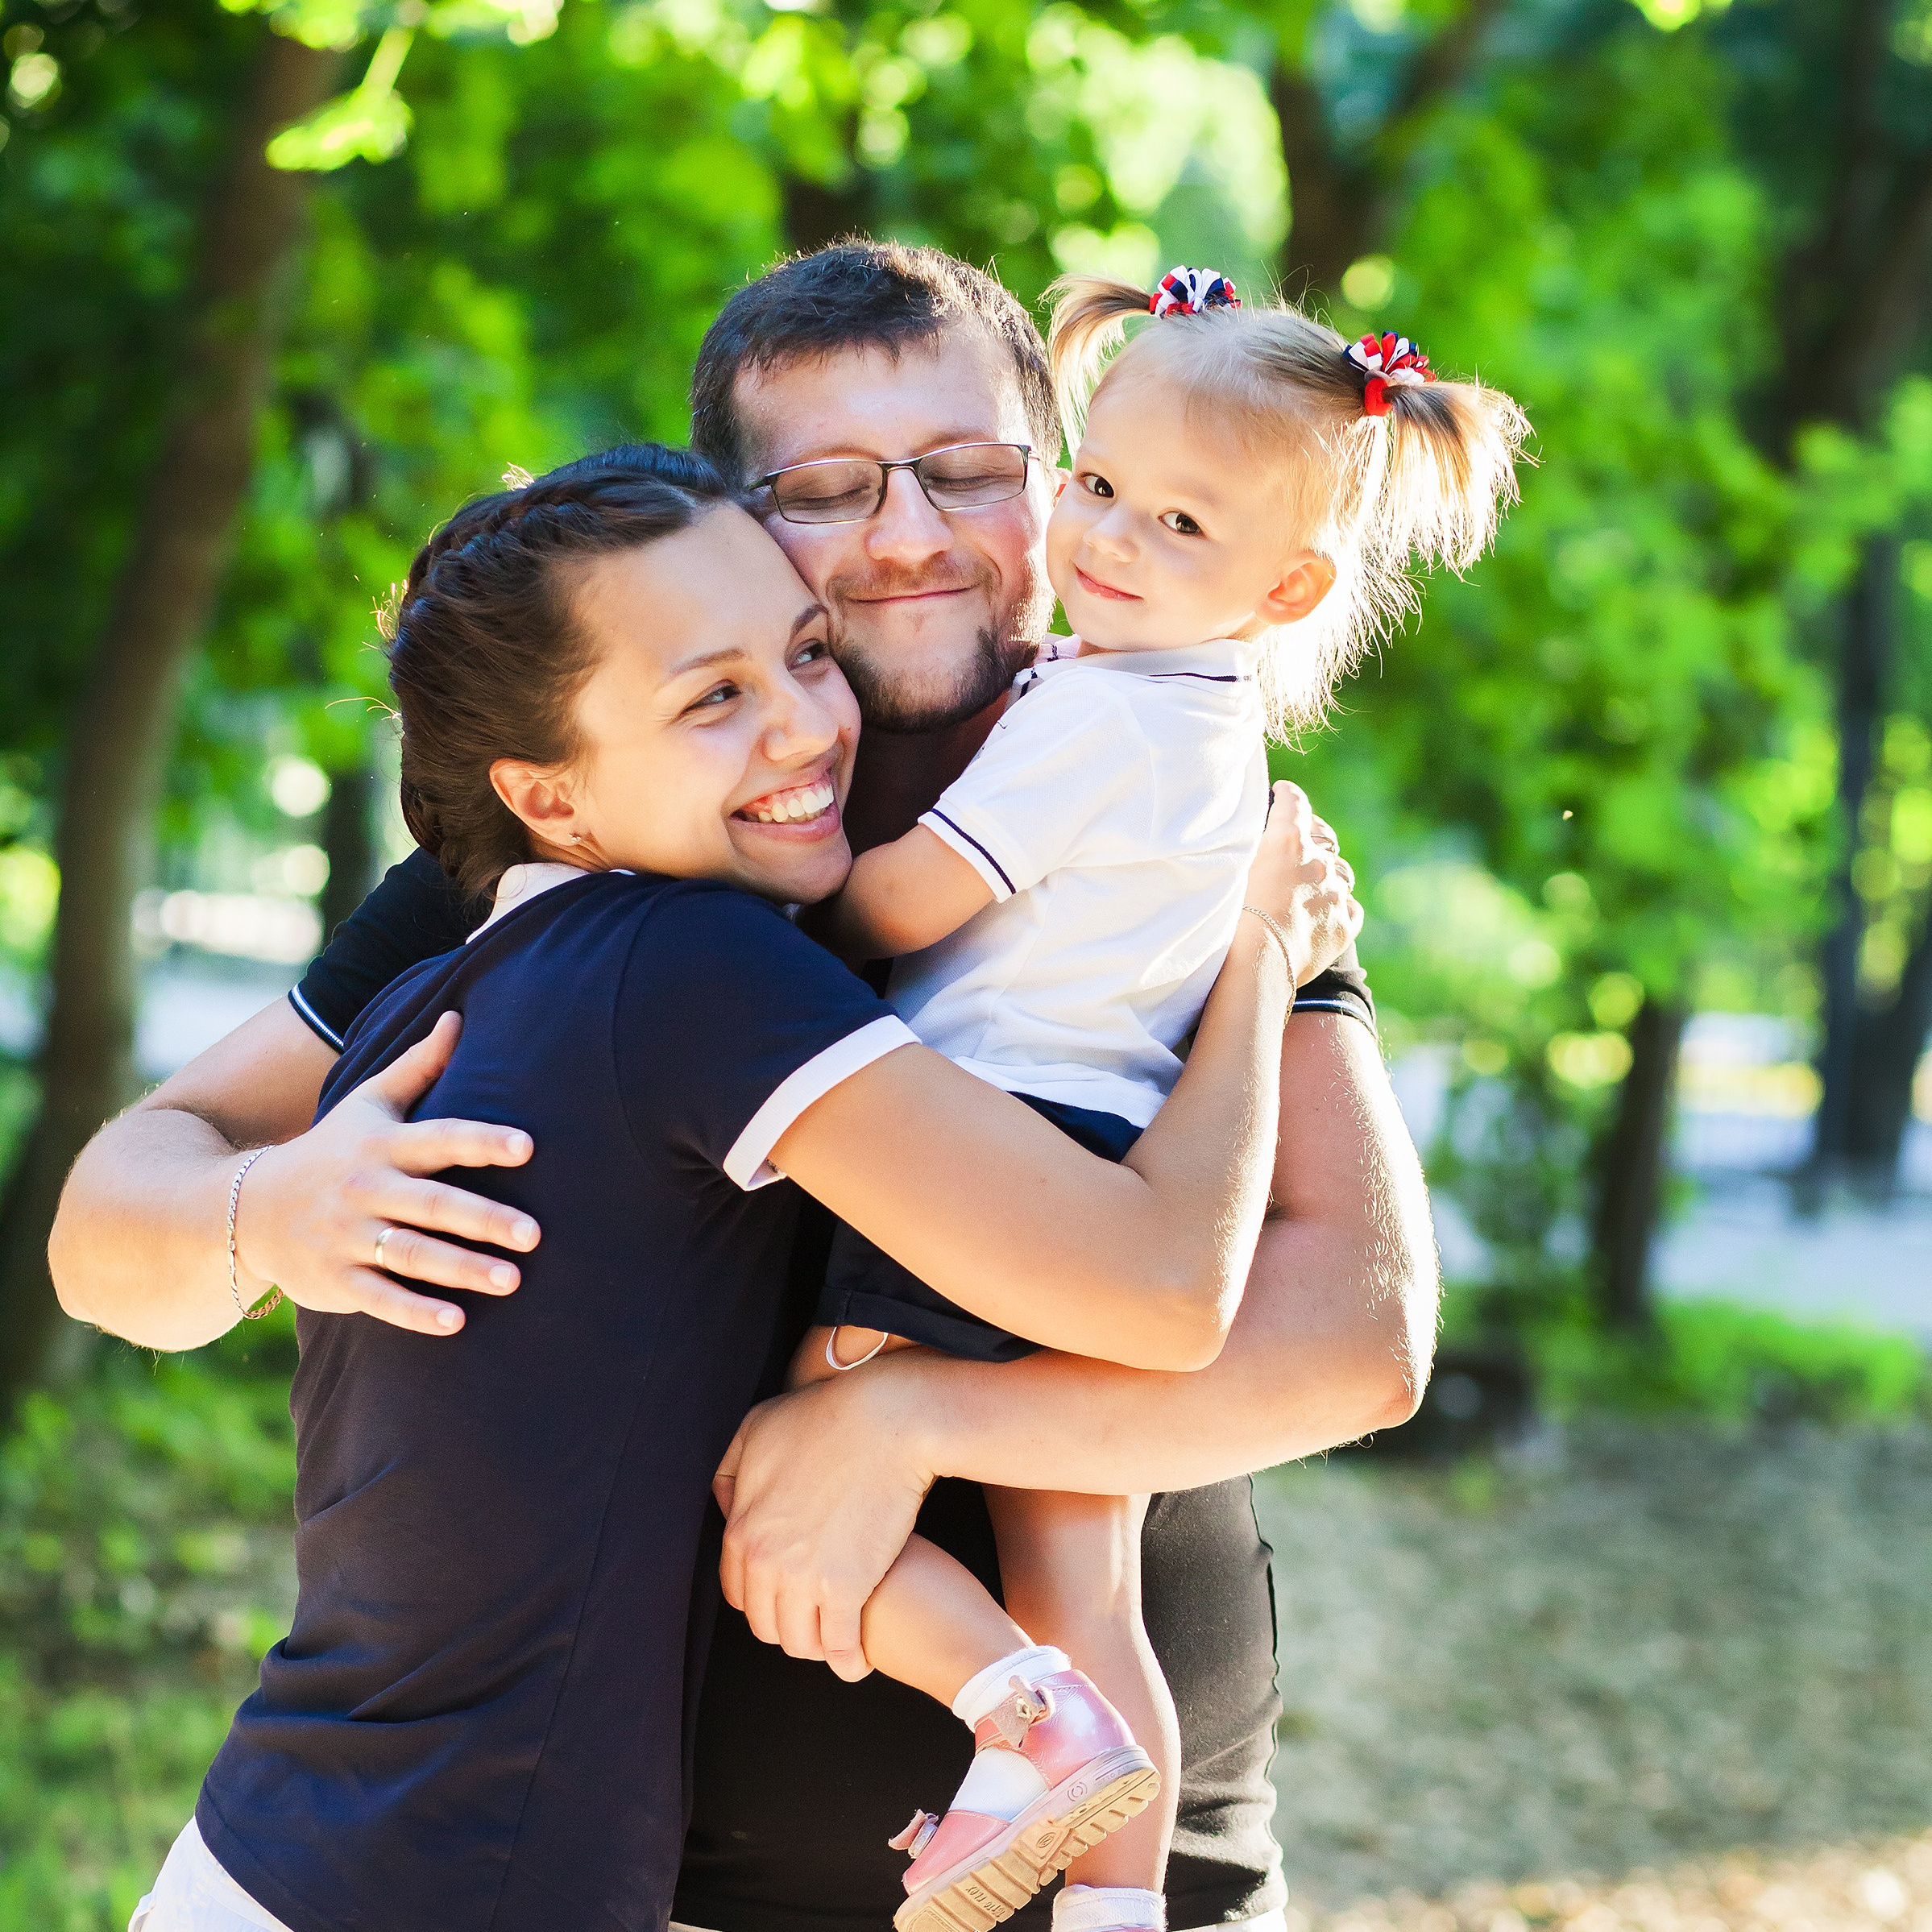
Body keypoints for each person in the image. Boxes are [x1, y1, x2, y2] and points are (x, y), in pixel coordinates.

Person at [52, 241, 1440, 1932]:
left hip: (1147, 1865)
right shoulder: (595, 829)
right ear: (734, 519)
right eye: (830, 488)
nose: (912, 534)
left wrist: (909, 1413)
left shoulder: (1183, 811)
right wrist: (268, 1207)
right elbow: (118, 1211)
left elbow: (1357, 1339)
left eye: (966, 471)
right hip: (675, 1876)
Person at [787, 267, 1526, 1932]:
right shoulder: (1207, 734)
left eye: (1173, 524)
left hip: (998, 1144)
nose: (1107, 539)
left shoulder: (1096, 722)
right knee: (1078, 1558)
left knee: (795, 1440)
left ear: (1284, 580)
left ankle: (1014, 1715)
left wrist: (761, 929)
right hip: (1115, 1148)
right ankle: (1114, 1902)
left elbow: (909, 904)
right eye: (1098, 485)